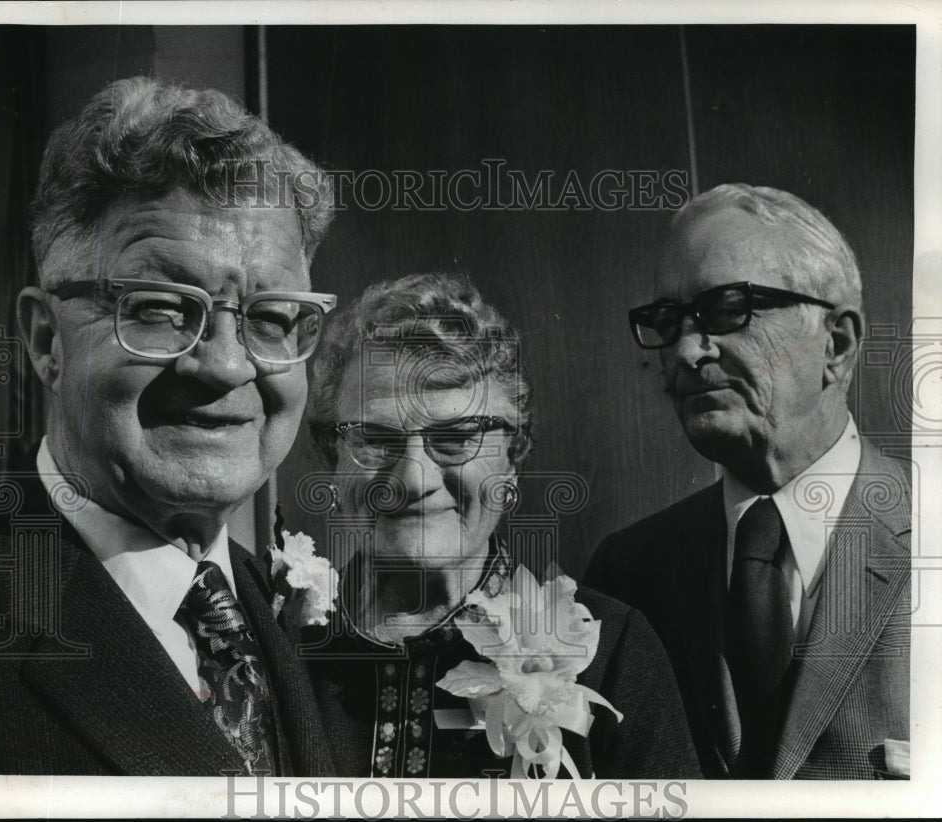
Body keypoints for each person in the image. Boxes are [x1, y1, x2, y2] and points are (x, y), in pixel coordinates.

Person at [0, 77, 339, 776]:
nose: (226, 366)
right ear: (46, 340)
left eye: (269, 317)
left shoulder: (275, 613)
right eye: (162, 308)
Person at [300, 272, 701, 779]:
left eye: (457, 436)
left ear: (513, 456)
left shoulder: (613, 649)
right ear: (330, 454)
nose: (413, 477)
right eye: (375, 438)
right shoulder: (284, 645)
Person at [584, 184, 911, 780]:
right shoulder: (627, 571)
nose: (685, 350)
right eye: (666, 320)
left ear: (835, 344)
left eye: (727, 309)